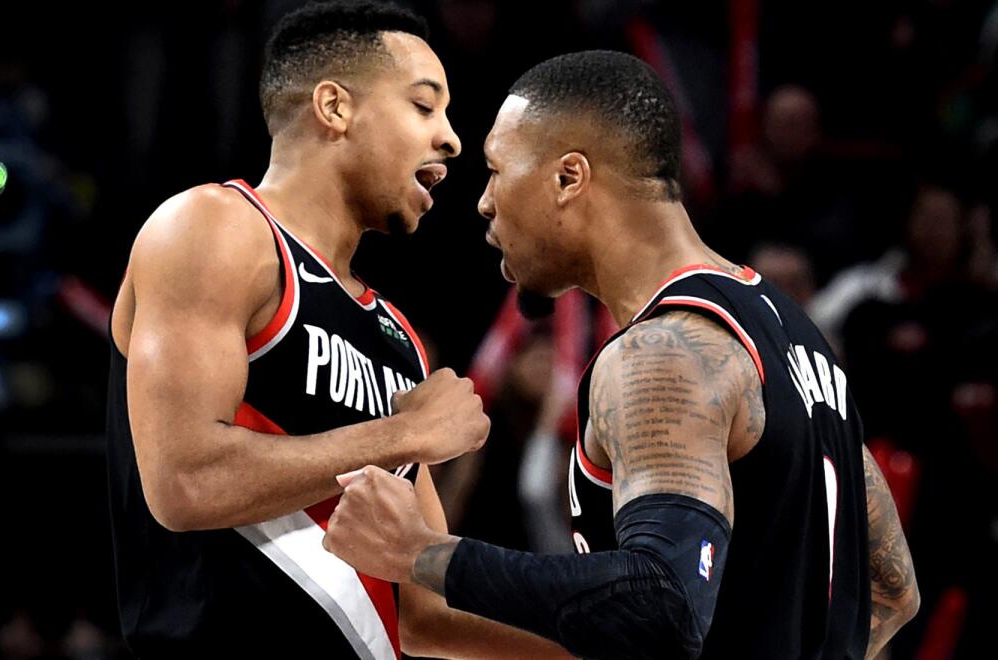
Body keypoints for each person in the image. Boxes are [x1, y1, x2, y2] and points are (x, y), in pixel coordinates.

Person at [324, 50, 920, 659]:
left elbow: (662, 603)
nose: (484, 203)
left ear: (568, 178)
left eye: (497, 171)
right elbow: (892, 588)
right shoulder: (794, 333)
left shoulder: (662, 353)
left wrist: (424, 553)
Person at [105, 2, 566, 657]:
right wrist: (403, 435)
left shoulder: (397, 335)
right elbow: (185, 483)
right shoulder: (216, 228)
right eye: (423, 105)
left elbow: (425, 614)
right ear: (334, 107)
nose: (451, 139)